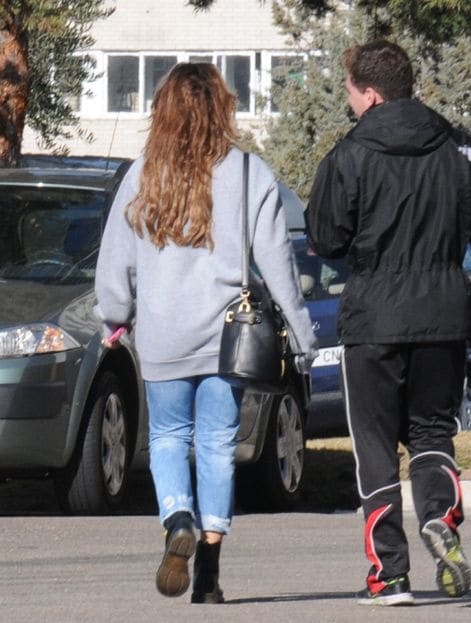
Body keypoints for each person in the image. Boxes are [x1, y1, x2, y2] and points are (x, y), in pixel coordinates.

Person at [306, 40, 471, 607]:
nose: (349, 102)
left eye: (350, 91)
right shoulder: (459, 147)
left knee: (374, 444)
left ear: (369, 93)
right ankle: (439, 515)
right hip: (444, 314)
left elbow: (325, 238)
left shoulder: (349, 154)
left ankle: (389, 575)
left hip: (372, 316)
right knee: (431, 431)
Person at [95, 63, 317, 604]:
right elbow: (277, 264)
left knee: (168, 437)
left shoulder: (143, 173)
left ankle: (176, 519)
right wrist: (302, 334)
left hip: (164, 331)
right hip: (229, 335)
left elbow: (116, 260)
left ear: (163, 110)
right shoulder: (249, 173)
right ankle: (210, 576)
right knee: (217, 443)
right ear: (222, 107)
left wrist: (115, 316)